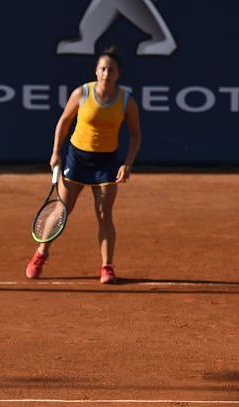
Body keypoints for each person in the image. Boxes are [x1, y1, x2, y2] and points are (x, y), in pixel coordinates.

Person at [25, 46, 141, 284]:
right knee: (61, 210)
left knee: (104, 214)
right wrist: (56, 152)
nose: (106, 73)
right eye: (103, 69)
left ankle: (107, 267)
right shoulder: (82, 93)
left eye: (111, 70)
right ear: (96, 71)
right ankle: (41, 254)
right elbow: (64, 121)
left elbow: (136, 135)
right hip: (77, 159)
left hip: (106, 163)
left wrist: (127, 164)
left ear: (118, 74)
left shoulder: (126, 101)